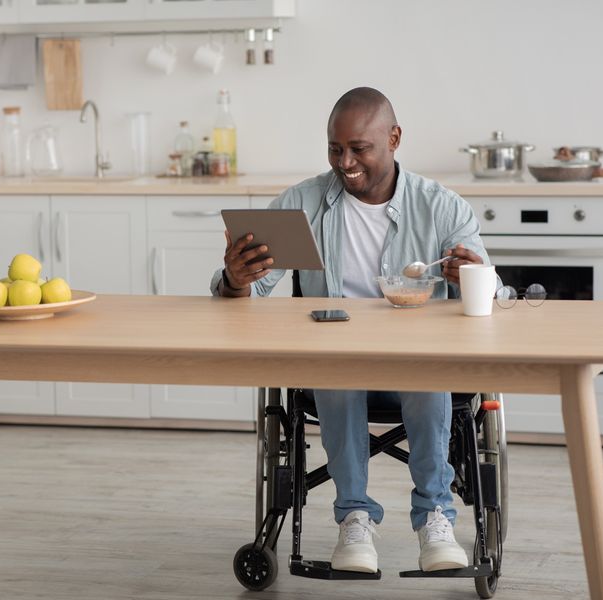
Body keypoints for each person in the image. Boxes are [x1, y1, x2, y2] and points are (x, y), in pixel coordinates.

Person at [210, 87, 492, 574]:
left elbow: (491, 291)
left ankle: (435, 519)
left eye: (359, 148)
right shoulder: (301, 204)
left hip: (418, 362)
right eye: (335, 149)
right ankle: (354, 518)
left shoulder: (441, 208)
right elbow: (244, 298)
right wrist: (236, 279)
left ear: (395, 138)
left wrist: (470, 278)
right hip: (336, 363)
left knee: (425, 371)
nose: (346, 161)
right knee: (334, 367)